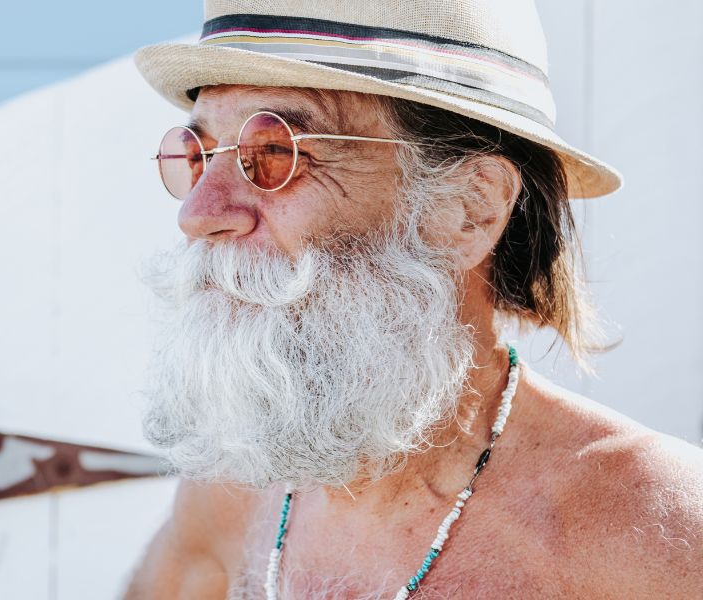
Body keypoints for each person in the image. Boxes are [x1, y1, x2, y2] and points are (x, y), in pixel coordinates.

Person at [124, 1, 703, 598]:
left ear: (470, 208)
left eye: (273, 151)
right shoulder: (235, 485)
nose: (196, 214)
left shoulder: (660, 538)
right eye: (197, 154)